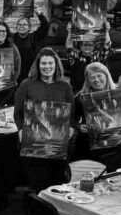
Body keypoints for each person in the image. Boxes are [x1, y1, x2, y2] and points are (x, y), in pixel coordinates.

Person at [14, 48, 75, 191]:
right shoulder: (26, 84)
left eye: (50, 63)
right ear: (38, 65)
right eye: (44, 63)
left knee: (58, 183)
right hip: (34, 142)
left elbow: (72, 113)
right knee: (38, 183)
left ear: (56, 65)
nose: (47, 67)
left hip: (58, 143)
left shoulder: (65, 86)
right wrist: (21, 130)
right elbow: (18, 113)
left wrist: (71, 128)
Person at [72, 62, 121, 171]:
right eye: (92, 77)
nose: (96, 80)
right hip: (89, 145)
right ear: (87, 80)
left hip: (115, 145)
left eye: (99, 76)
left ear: (106, 75)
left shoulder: (119, 93)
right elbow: (70, 118)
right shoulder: (81, 96)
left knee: (115, 174)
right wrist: (78, 126)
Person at [65, 21, 111, 94]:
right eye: (85, 45)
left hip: (96, 90)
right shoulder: (75, 56)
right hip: (78, 91)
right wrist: (69, 31)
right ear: (80, 46)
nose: (87, 47)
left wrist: (107, 31)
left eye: (90, 45)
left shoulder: (98, 57)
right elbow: (69, 47)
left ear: (94, 47)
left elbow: (107, 46)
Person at [12, 13, 50, 83]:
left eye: (24, 25)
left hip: (32, 75)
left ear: (29, 27)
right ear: (16, 27)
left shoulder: (34, 37)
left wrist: (40, 14)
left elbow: (46, 26)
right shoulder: (12, 38)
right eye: (19, 25)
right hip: (16, 75)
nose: (21, 26)